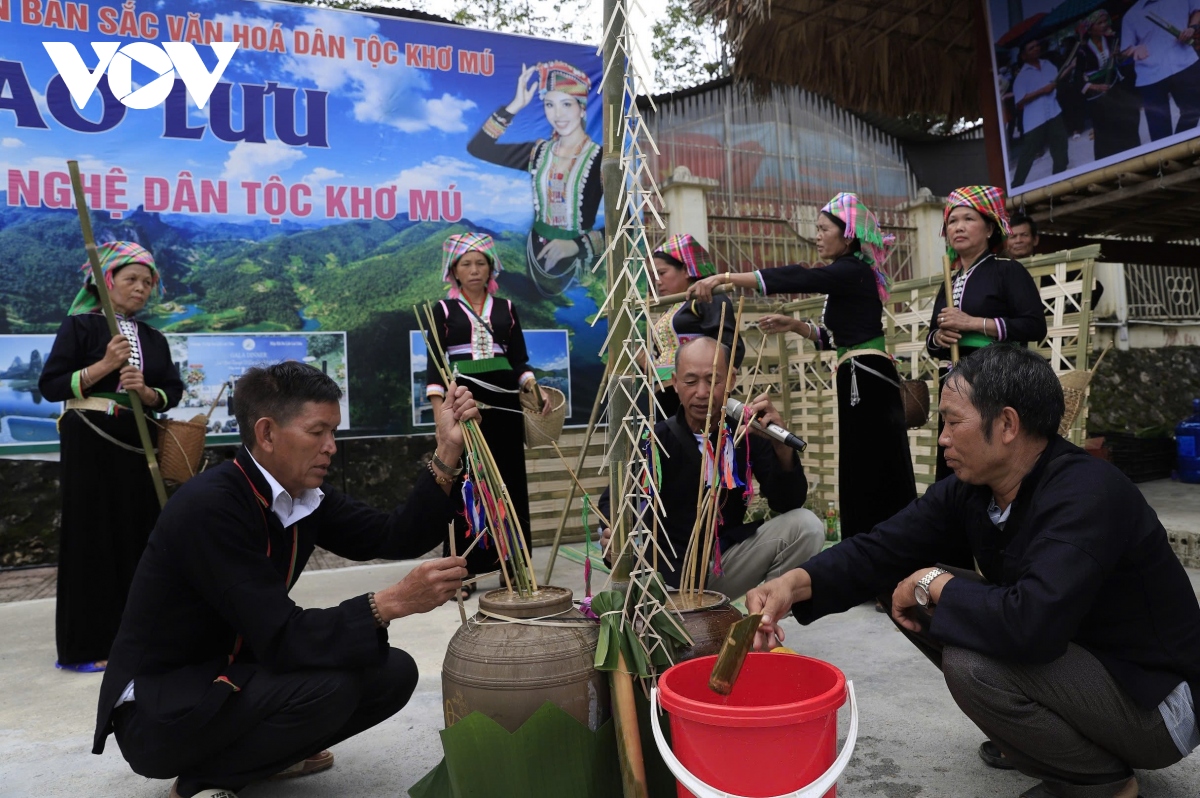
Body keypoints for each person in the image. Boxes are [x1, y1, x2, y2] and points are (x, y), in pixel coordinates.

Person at [748, 345, 1200, 798]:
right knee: (897, 581)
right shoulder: (976, 488)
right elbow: (882, 548)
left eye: (952, 421)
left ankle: (1100, 782)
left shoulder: (1086, 493)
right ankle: (1045, 737)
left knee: (972, 664)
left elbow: (1031, 623)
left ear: (1006, 424)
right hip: (1083, 660)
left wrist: (933, 582)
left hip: (1157, 703)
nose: (942, 436)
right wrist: (793, 583)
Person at [91, 362, 476, 798]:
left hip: (232, 672)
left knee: (391, 673)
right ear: (267, 433)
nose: (331, 446)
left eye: (333, 431)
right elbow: (282, 635)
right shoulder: (210, 508)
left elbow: (394, 534)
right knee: (330, 688)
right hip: (163, 709)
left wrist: (446, 450)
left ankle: (264, 755)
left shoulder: (303, 496)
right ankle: (205, 780)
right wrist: (388, 603)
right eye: (318, 432)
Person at [690, 192, 916, 542]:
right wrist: (795, 326)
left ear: (848, 234)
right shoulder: (850, 274)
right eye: (817, 228)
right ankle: (870, 552)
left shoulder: (851, 270)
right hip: (859, 375)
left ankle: (886, 551)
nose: (817, 235)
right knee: (862, 467)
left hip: (868, 381)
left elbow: (796, 277)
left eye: (824, 229)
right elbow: (839, 337)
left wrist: (727, 278)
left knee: (873, 469)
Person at [38, 241, 184, 673]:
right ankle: (85, 646)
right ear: (107, 282)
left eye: (147, 282)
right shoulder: (80, 328)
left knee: (140, 538)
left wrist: (144, 391)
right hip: (90, 440)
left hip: (139, 446)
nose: (140, 288)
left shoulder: (154, 339)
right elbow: (51, 386)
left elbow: (171, 393)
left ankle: (140, 639)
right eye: (130, 280)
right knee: (93, 539)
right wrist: (103, 366)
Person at [598, 337, 824, 600]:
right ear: (675, 382)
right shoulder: (655, 439)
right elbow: (612, 503)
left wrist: (782, 449)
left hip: (723, 564)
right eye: (691, 381)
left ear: (731, 380)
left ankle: (760, 621)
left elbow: (787, 503)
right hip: (666, 575)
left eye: (713, 380)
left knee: (806, 525)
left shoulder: (745, 434)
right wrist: (614, 534)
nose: (702, 393)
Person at [425, 232, 549, 596]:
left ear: (491, 268)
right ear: (454, 271)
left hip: (506, 404)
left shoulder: (507, 308)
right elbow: (435, 368)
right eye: (467, 264)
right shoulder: (444, 311)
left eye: (481, 263)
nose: (475, 270)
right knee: (469, 483)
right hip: (465, 403)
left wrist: (532, 386)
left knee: (509, 482)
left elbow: (519, 361)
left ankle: (514, 568)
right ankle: (462, 572)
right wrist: (439, 415)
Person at [928, 186, 1046, 480]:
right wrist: (939, 339)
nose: (958, 227)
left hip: (994, 379)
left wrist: (973, 323)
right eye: (952, 222)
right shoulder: (948, 280)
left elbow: (1034, 326)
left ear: (990, 228)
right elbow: (931, 340)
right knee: (953, 460)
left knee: (989, 460)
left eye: (968, 219)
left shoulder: (1008, 271)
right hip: (954, 383)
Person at [467, 61, 602, 297]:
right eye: (550, 105)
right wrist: (515, 105)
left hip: (579, 262)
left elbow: (628, 221)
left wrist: (576, 246)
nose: (557, 115)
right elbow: (479, 148)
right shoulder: (539, 153)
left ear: (582, 109)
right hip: (535, 255)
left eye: (566, 104)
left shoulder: (601, 158)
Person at [645, 234, 743, 417]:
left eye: (662, 273)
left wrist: (714, 385)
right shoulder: (675, 306)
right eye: (654, 275)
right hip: (666, 391)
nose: (657, 281)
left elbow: (730, 343)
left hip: (695, 396)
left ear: (685, 269)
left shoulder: (707, 298)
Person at [1121, 0, 1200, 141]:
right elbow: (1125, 49)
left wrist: (1192, 28)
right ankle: (1168, 156)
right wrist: (1135, 49)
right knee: (1159, 130)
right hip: (1150, 75)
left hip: (1184, 63)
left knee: (1194, 110)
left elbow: (1197, 9)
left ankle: (1177, 147)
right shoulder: (1131, 15)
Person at [1071, 10, 1143, 160]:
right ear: (1090, 28)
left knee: (1127, 119)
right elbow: (1078, 78)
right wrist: (1095, 87)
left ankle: (1133, 154)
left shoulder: (1112, 40)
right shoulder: (1082, 51)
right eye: (1100, 23)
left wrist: (1119, 55)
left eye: (1105, 21)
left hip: (1115, 87)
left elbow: (1120, 61)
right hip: (1097, 96)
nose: (1104, 25)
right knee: (1106, 131)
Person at [1012, 39, 1071, 187]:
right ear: (1024, 55)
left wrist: (1070, 68)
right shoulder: (1022, 76)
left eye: (1037, 46)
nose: (1036, 49)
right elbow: (1020, 100)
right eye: (1031, 48)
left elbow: (1055, 81)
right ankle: (1017, 186)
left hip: (1053, 112)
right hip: (1035, 119)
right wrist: (1042, 91)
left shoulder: (1048, 65)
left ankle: (1059, 178)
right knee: (1028, 153)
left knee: (1060, 145)